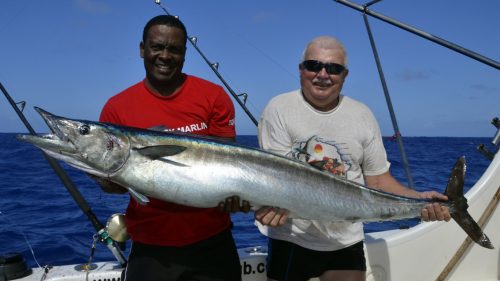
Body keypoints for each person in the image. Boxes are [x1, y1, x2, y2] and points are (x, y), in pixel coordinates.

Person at [254, 36, 451, 281]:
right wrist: (266, 204)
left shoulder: (362, 115)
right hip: (293, 238)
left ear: (345, 75)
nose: (323, 74)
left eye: (333, 68)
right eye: (314, 65)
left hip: (346, 238)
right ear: (301, 69)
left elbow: (379, 182)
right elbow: (279, 180)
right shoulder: (278, 108)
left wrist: (420, 200)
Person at [93, 15, 245, 281]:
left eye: (174, 49)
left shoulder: (214, 96)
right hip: (150, 248)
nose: (165, 55)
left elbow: (228, 165)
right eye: (157, 47)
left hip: (213, 243)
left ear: (185, 54)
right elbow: (112, 185)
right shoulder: (116, 108)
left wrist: (237, 198)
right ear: (142, 49)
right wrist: (100, 175)